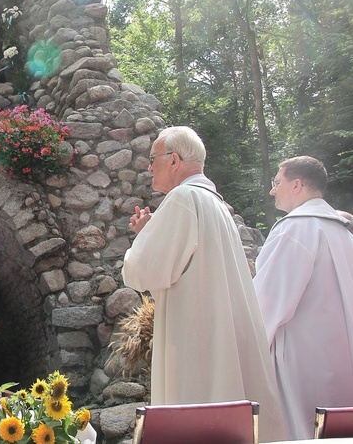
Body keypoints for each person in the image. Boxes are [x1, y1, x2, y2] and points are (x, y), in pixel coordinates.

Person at [122, 126, 286, 442]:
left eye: (153, 158)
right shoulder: (214, 203)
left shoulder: (183, 199)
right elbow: (183, 270)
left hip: (197, 341)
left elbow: (141, 271)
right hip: (217, 334)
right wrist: (150, 234)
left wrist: (142, 240)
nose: (148, 166)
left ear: (174, 160)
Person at [254, 156, 353, 439]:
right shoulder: (343, 233)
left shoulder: (293, 229)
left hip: (301, 361)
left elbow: (266, 303)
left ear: (296, 185)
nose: (272, 190)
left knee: (298, 431)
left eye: (277, 183)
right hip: (342, 359)